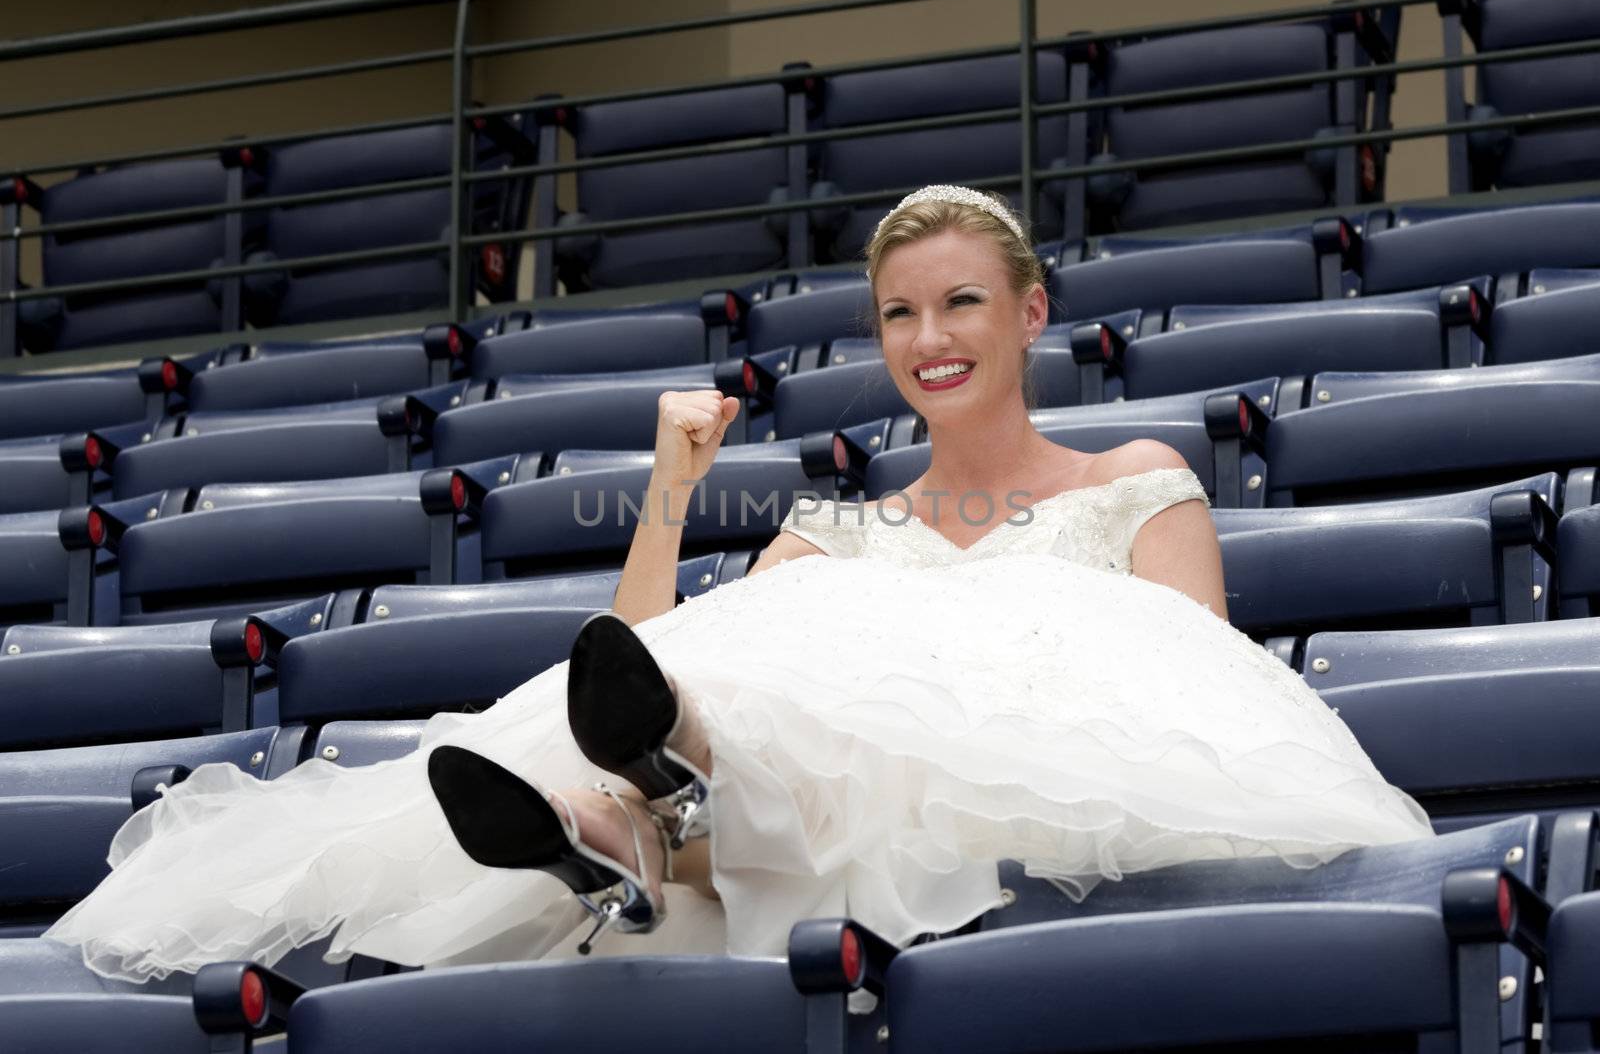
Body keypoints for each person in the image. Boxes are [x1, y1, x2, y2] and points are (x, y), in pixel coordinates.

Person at [45, 185, 1433, 984]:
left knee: (848, 714)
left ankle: (651, 826)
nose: (928, 336)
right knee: (717, 681)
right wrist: (668, 490)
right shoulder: (839, 529)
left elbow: (1186, 691)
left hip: (1047, 789)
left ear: (1030, 313)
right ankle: (648, 798)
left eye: (959, 302)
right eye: (898, 311)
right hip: (783, 794)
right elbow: (635, 655)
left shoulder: (1135, 481)